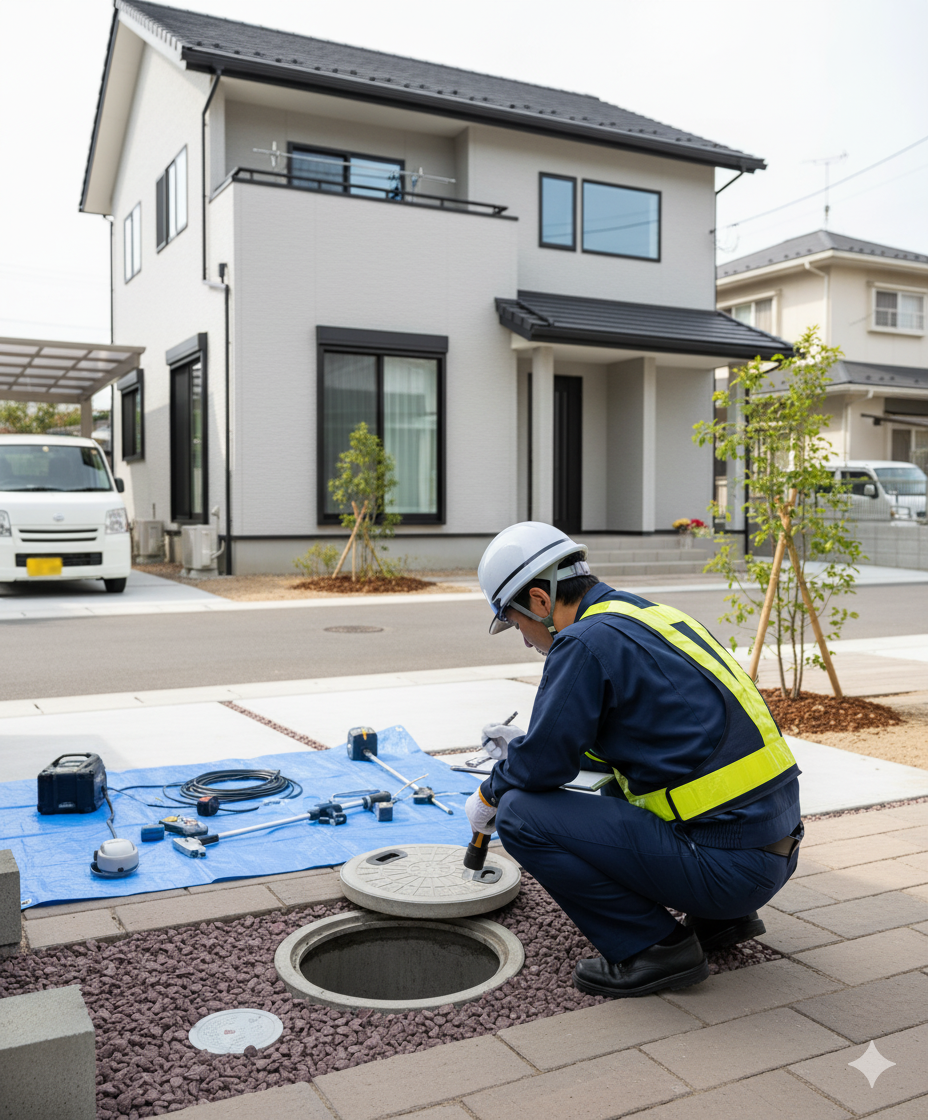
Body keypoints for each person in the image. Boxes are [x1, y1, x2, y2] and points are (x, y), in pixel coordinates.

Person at [465, 521, 802, 998]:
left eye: (517, 623)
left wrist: (490, 789)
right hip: (775, 851)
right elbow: (652, 735)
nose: (525, 639)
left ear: (540, 601)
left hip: (728, 871)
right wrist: (535, 740)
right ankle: (720, 922)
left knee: (521, 814)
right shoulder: (647, 615)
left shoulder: (580, 642)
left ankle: (654, 949)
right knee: (614, 785)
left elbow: (541, 769)